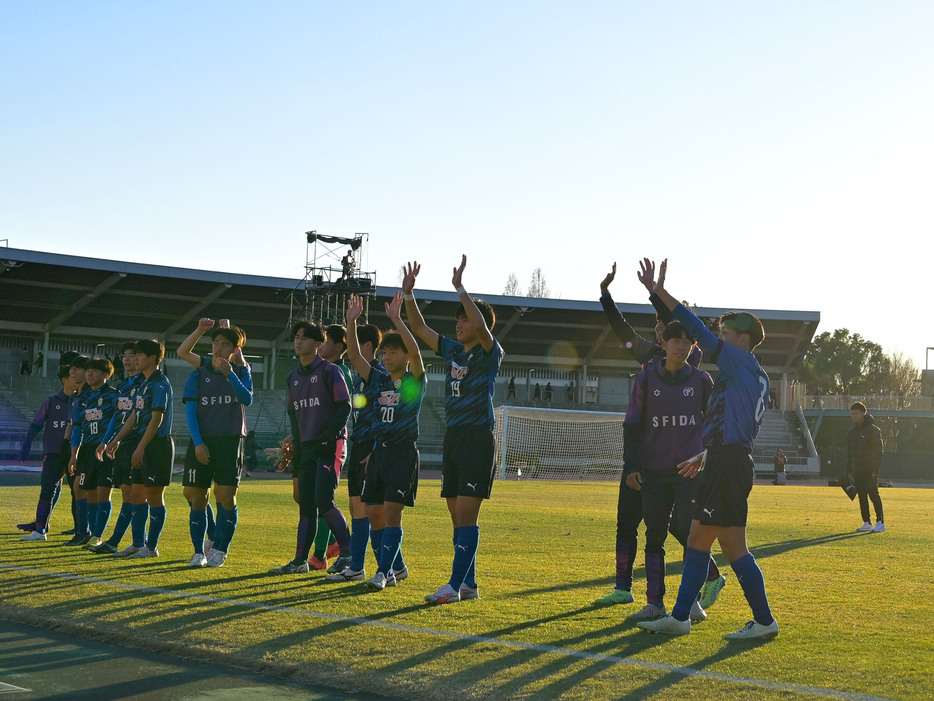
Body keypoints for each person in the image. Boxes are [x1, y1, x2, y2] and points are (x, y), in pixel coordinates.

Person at [637, 259, 779, 640]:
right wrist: (708, 454)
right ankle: (693, 616)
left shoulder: (740, 362)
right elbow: (741, 425)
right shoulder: (749, 374)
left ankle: (692, 617)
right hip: (727, 461)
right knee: (717, 543)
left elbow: (694, 327)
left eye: (726, 333)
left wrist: (660, 293)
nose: (718, 339)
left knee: (710, 542)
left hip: (728, 464)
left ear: (743, 339)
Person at [594, 261, 720, 607]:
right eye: (664, 331)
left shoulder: (692, 367)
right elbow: (620, 330)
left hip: (676, 462)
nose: (662, 332)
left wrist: (655, 292)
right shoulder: (648, 360)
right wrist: (605, 295)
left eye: (674, 331)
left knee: (677, 527)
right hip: (641, 456)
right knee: (626, 522)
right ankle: (623, 588)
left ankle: (707, 577)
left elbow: (681, 322)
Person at [402, 255, 504, 605]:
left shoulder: (490, 352)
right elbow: (421, 330)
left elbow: (482, 325)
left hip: (477, 437)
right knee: (453, 512)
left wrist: (460, 288)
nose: (459, 325)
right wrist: (410, 296)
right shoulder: (453, 351)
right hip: (454, 438)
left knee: (465, 514)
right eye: (458, 320)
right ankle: (469, 585)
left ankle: (454, 585)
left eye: (464, 320)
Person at [622, 322, 716, 624]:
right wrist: (632, 466)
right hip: (654, 471)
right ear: (664, 342)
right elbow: (632, 425)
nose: (681, 347)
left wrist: (704, 456)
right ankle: (654, 604)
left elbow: (715, 425)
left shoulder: (702, 381)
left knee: (692, 538)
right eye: (675, 340)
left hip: (690, 472)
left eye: (687, 342)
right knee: (654, 537)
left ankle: (691, 602)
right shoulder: (646, 379)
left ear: (692, 347)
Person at [341, 292, 426, 591]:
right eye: (385, 353)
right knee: (374, 513)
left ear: (404, 356)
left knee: (391, 513)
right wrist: (351, 323)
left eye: (393, 352)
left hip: (402, 454)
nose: (387, 357)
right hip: (378, 453)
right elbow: (354, 356)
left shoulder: (415, 380)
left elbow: (416, 353)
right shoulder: (377, 378)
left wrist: (396, 320)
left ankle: (383, 571)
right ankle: (394, 567)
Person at [268, 320, 352, 575]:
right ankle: (300, 561)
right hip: (306, 446)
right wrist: (298, 447)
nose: (298, 341)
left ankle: (349, 555)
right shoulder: (292, 377)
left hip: (330, 445)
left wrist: (329, 436)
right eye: (296, 336)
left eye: (304, 337)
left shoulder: (330, 371)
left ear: (318, 344)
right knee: (307, 505)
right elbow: (294, 416)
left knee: (324, 501)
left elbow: (345, 406)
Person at [325, 320, 392, 583]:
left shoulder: (377, 374)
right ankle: (376, 565)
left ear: (366, 346)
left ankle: (361, 565)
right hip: (358, 445)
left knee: (368, 510)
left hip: (371, 447)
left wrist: (376, 446)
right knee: (356, 508)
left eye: (354, 345)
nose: (350, 354)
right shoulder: (359, 380)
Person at [182, 324, 253, 567]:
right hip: (202, 441)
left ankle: (220, 549)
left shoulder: (241, 372)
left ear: (234, 350)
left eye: (224, 345)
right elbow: (191, 412)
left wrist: (229, 374)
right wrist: (199, 443)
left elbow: (247, 399)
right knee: (197, 496)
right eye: (216, 343)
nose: (218, 348)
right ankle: (198, 552)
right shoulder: (198, 374)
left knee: (225, 496)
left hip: (230, 441)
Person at [104, 339, 174, 559]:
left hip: (156, 445)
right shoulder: (143, 384)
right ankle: (137, 544)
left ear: (152, 358)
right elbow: (134, 416)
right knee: (135, 495)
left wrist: (141, 447)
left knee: (153, 496)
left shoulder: (160, 383)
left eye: (140, 355)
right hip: (141, 444)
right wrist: (116, 440)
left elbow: (157, 419)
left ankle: (151, 548)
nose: (135, 359)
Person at [91, 342, 143, 554]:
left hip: (138, 443)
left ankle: (116, 541)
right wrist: (106, 439)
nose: (128, 359)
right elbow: (115, 416)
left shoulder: (146, 384)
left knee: (140, 494)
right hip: (121, 444)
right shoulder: (121, 387)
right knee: (127, 493)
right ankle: (138, 540)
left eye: (133, 355)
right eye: (125, 355)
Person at [18, 366, 78, 541]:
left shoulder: (80, 402)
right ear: (63, 380)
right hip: (53, 454)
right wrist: (26, 446)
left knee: (78, 493)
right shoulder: (51, 402)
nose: (75, 378)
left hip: (75, 454)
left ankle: (80, 531)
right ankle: (40, 530)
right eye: (71, 376)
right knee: (47, 492)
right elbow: (36, 425)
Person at [65, 357, 118, 548]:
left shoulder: (114, 396)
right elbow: (77, 429)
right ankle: (85, 532)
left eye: (94, 370)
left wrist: (110, 442)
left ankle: (97, 535)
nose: (89, 373)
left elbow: (119, 422)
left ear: (106, 375)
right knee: (83, 489)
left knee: (103, 492)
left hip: (105, 449)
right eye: (88, 370)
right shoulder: (82, 400)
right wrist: (74, 454)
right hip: (87, 449)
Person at [847, 402, 885, 533]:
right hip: (857, 470)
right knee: (862, 496)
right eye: (852, 413)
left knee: (874, 494)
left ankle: (880, 522)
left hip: (869, 470)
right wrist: (848, 470)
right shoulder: (851, 432)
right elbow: (849, 452)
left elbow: (878, 452)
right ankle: (866, 522)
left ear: (864, 413)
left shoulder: (874, 430)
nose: (854, 416)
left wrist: (875, 470)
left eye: (856, 413)